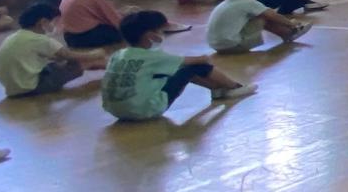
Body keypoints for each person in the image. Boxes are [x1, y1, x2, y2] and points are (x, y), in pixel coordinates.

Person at [101, 11, 254, 119]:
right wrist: (204, 58)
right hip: (144, 110)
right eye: (161, 31)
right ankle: (234, 87)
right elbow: (196, 61)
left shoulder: (118, 55)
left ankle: (217, 89)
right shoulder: (153, 56)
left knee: (174, 71)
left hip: (115, 110)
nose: (163, 34)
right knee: (193, 68)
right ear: (151, 36)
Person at [0, 3, 107, 98]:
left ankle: (106, 66)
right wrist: (94, 54)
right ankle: (112, 69)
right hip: (32, 87)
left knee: (63, 63)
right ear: (43, 22)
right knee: (83, 62)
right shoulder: (40, 39)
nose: (56, 25)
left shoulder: (16, 36)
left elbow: (54, 56)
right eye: (55, 21)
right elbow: (67, 54)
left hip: (13, 88)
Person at [210, 0, 316, 53]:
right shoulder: (248, 3)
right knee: (263, 16)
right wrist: (292, 23)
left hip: (216, 46)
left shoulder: (225, 3)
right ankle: (289, 33)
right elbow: (273, 16)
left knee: (257, 14)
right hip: (233, 46)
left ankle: (287, 33)